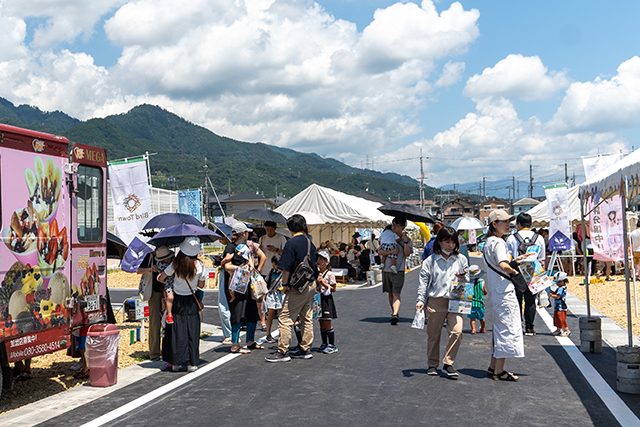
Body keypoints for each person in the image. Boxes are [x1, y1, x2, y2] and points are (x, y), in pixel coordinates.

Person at [265, 214, 319, 362]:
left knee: (285, 318)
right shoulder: (310, 243)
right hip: (310, 284)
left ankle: (282, 351)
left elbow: (286, 267)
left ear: (289, 229)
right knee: (306, 317)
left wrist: (285, 284)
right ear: (303, 226)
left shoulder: (291, 243)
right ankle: (305, 348)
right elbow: (315, 266)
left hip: (297, 287)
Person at [416, 226, 468, 378]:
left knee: (457, 331)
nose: (450, 245)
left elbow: (468, 279)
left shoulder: (461, 259)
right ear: (439, 242)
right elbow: (423, 283)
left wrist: (463, 276)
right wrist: (420, 300)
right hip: (436, 301)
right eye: (447, 241)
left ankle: (448, 363)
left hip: (457, 299)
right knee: (433, 334)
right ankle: (432, 364)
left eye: (453, 242)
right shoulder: (430, 261)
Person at [483, 209, 525, 381]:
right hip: (504, 291)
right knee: (507, 328)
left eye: (509, 221)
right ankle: (499, 371)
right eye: (504, 222)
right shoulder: (499, 242)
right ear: (494, 224)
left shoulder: (488, 242)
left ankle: (494, 366)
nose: (508, 224)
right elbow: (503, 264)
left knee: (500, 328)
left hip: (495, 291)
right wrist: (515, 272)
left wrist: (515, 261)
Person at [158, 236, 206, 372]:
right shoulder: (200, 265)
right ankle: (192, 363)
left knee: (177, 331)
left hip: (177, 300)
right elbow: (201, 285)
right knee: (192, 331)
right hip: (191, 300)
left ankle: (176, 363)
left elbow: (162, 278)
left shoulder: (176, 264)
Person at [222, 223, 262, 354]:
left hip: (247, 283)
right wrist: (242, 268)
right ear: (243, 233)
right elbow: (227, 266)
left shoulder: (245, 247)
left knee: (251, 311)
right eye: (247, 232)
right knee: (238, 312)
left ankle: (250, 341)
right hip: (236, 284)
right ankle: (235, 344)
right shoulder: (230, 247)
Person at [506, 213, 545, 336]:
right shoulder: (539, 238)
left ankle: (518, 325)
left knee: (516, 300)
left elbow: (509, 258)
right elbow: (542, 260)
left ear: (518, 224)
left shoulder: (512, 238)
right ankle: (530, 328)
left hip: (517, 272)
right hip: (533, 272)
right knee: (530, 300)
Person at [137, 246, 174, 361]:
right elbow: (138, 270)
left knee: (170, 321)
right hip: (155, 292)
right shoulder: (149, 257)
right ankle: (154, 352)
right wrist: (150, 269)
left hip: (170, 293)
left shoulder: (170, 256)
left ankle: (168, 349)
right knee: (154, 323)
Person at [378, 217, 413, 325]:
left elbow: (407, 253)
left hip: (398, 270)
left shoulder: (407, 240)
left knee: (396, 293)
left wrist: (405, 240)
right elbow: (379, 251)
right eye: (392, 224)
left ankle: (394, 314)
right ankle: (394, 312)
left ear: (402, 227)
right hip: (386, 269)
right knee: (390, 293)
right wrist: (391, 251)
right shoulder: (388, 235)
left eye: (396, 225)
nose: (393, 226)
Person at [316, 250, 338, 354]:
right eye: (318, 259)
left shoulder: (330, 274)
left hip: (327, 299)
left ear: (327, 262)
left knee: (327, 322)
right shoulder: (316, 273)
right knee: (321, 321)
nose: (318, 261)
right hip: (318, 299)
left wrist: (323, 283)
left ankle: (332, 344)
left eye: (321, 259)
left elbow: (333, 289)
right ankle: (324, 343)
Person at [264, 255, 285, 343]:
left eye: (275, 265)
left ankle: (282, 334)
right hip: (272, 294)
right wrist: (264, 292)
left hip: (281, 294)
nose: (274, 267)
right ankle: (268, 334)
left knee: (281, 315)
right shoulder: (271, 271)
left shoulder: (284, 272)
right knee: (270, 315)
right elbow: (266, 281)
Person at [467, 265, 487, 334]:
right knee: (482, 317)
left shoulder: (469, 283)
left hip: (472, 303)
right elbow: (485, 292)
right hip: (480, 303)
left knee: (472, 318)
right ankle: (483, 328)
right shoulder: (482, 283)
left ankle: (473, 329)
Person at [550, 272, 571, 337]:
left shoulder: (562, 288)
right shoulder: (559, 288)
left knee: (561, 319)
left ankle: (567, 330)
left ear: (562, 281)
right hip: (557, 306)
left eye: (558, 282)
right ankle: (558, 329)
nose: (557, 283)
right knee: (557, 318)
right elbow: (555, 293)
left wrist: (550, 295)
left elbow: (558, 296)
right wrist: (550, 291)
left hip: (561, 307)